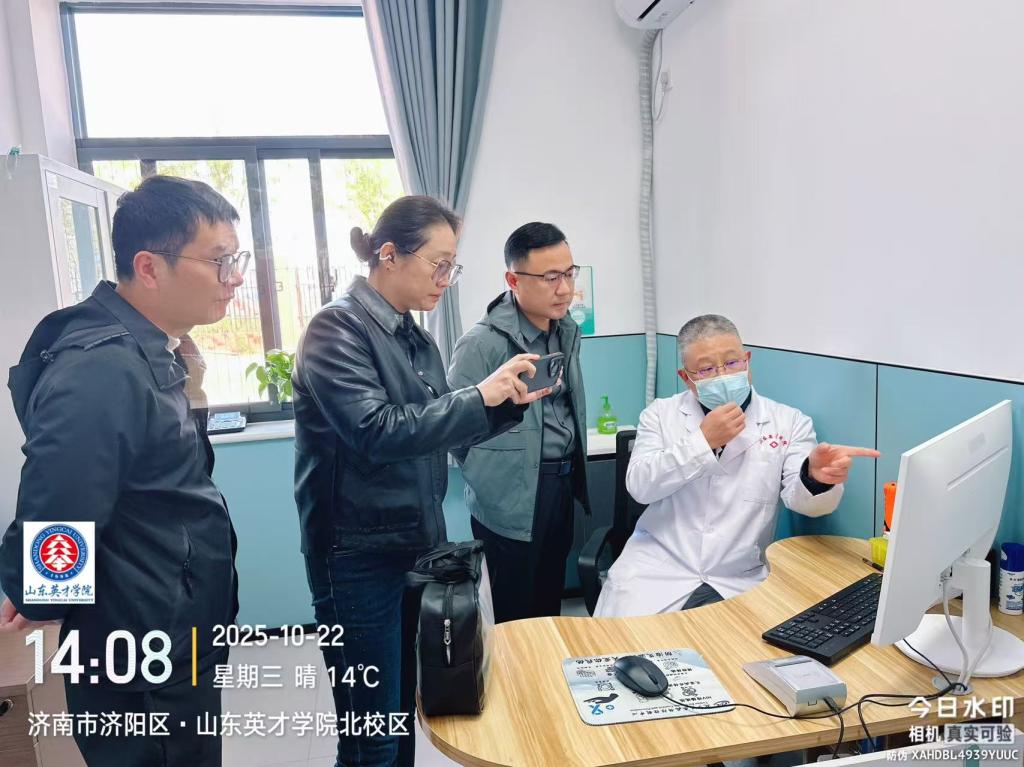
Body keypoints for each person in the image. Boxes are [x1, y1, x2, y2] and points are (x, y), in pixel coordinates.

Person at [293, 196, 551, 767]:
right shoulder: (336, 328)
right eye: (439, 265)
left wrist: (503, 404)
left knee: (402, 712)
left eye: (452, 267)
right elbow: (377, 431)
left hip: (412, 543)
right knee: (371, 732)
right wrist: (477, 396)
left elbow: (432, 429)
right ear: (389, 255)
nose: (446, 280)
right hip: (356, 556)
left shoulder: (414, 336)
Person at [0, 175, 246, 766]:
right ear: (149, 267)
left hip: (167, 622)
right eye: (219, 261)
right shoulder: (102, 367)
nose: (234, 277)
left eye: (235, 260)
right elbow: (61, 499)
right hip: (140, 644)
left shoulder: (150, 347)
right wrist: (39, 593)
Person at [595, 314, 879, 617]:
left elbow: (804, 502)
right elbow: (641, 486)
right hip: (656, 570)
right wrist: (702, 442)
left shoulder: (789, 422)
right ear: (686, 378)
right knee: (622, 643)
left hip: (737, 577)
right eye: (706, 369)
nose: (722, 375)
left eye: (731, 363)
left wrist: (815, 478)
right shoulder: (660, 415)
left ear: (747, 361)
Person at [448, 222, 590, 622]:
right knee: (514, 614)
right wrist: (492, 475)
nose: (564, 288)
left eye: (569, 274)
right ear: (513, 280)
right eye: (550, 277)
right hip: (507, 493)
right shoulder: (481, 343)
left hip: (559, 483)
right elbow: (455, 430)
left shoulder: (566, 330)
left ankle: (546, 664)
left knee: (549, 604)